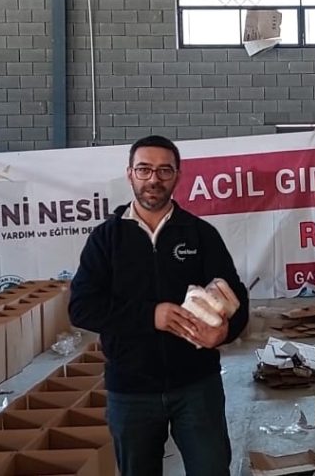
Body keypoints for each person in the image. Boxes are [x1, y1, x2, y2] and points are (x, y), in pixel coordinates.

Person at [69, 135, 249, 476]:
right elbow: (82, 307)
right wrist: (151, 316)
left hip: (197, 385)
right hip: (130, 389)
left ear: (177, 176)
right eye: (144, 169)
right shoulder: (107, 239)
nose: (154, 179)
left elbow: (237, 296)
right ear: (130, 174)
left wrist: (225, 332)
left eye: (165, 170)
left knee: (212, 470)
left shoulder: (200, 234)